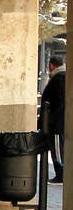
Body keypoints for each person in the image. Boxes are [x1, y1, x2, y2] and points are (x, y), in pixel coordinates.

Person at [42, 55, 66, 183]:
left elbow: (59, 102)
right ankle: (60, 173)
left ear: (51, 65)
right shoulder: (61, 77)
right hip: (58, 121)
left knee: (57, 148)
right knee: (59, 147)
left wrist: (52, 119)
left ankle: (61, 173)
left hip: (57, 123)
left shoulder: (59, 78)